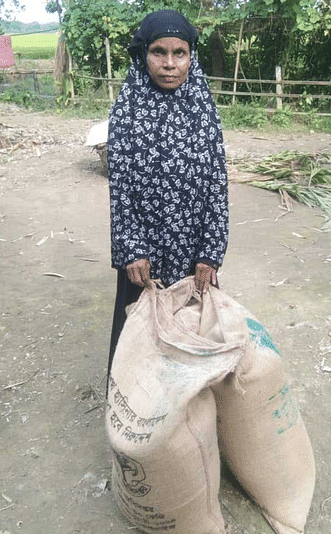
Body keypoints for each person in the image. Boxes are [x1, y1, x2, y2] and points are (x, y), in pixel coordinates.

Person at [106, 9, 229, 377]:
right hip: (146, 253)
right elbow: (121, 185)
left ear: (192, 56)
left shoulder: (204, 108)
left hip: (193, 250)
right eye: (159, 52)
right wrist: (132, 249)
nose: (170, 64)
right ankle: (140, 418)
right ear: (143, 54)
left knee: (195, 337)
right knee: (141, 339)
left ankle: (191, 419)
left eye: (181, 53)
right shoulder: (127, 110)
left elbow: (217, 184)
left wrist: (211, 250)